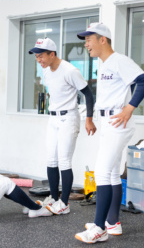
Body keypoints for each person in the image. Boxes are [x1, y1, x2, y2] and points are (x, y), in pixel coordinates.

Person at [75, 23, 144, 243]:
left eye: (89, 39)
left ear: (103, 40)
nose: (86, 44)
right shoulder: (104, 64)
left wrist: (129, 108)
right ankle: (113, 223)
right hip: (109, 121)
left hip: (118, 120)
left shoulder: (119, 60)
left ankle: (99, 229)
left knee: (101, 172)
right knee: (111, 174)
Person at [28, 38, 96, 216]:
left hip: (69, 118)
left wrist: (89, 119)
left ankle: (64, 203)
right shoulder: (47, 71)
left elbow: (88, 94)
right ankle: (53, 197)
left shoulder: (70, 70)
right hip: (53, 119)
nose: (39, 60)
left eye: (41, 56)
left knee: (64, 161)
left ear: (52, 54)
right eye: (36, 57)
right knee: (51, 159)